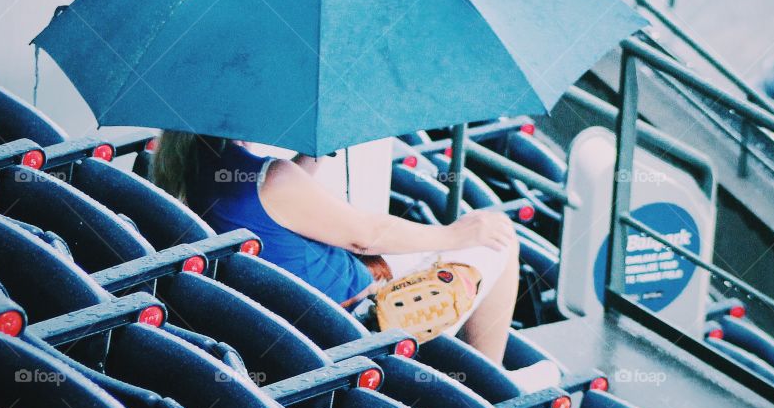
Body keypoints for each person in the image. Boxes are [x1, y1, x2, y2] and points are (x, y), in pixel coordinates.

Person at [153, 134, 558, 385]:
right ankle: (493, 387)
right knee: (497, 236)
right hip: (361, 318)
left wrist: (316, 152)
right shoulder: (270, 176)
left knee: (452, 237)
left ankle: (485, 378)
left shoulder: (193, 165)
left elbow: (277, 206)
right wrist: (454, 234)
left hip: (299, 311)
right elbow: (366, 236)